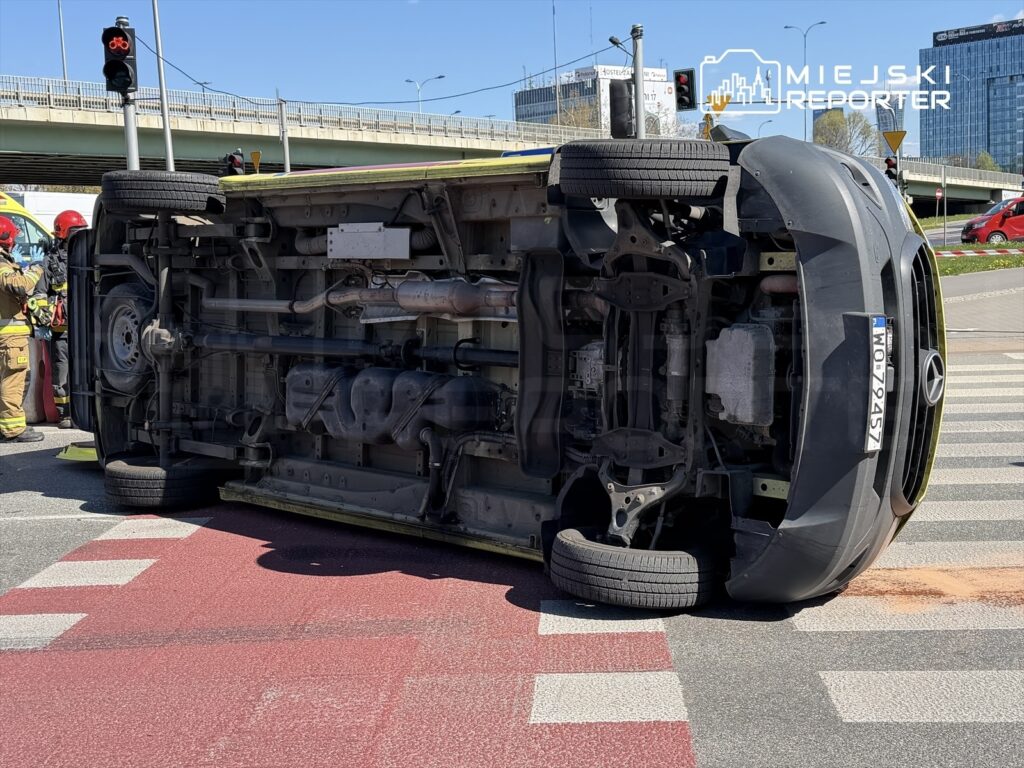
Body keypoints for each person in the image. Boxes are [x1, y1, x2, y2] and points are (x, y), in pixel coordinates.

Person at [30, 210, 86, 428]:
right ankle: (65, 414)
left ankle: (85, 412)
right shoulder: (49, 263)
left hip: (85, 327)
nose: (80, 235)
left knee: (84, 368)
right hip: (61, 329)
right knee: (61, 370)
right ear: (63, 233)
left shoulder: (88, 258)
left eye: (82, 231)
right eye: (75, 231)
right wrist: (47, 314)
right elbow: (39, 294)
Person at [0, 215, 45, 442]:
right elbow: (17, 286)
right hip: (10, 336)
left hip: (7, 335)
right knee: (13, 380)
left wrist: (18, 266)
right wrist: (35, 269)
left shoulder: (5, 263)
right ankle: (13, 429)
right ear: (6, 239)